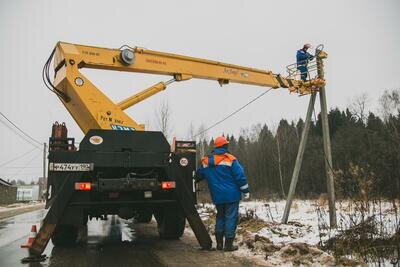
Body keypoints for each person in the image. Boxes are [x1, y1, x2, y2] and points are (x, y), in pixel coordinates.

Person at [197, 136, 250, 251]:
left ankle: (219, 244)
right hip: (232, 195)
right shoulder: (231, 159)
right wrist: (245, 191)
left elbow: (198, 175)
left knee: (220, 217)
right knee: (230, 217)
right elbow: (240, 177)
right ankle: (228, 245)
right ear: (225, 146)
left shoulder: (206, 162)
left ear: (215, 147)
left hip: (217, 196)